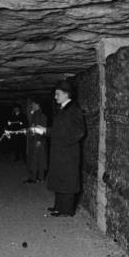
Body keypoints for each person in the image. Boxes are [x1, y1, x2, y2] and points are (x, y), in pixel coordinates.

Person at [42, 80, 85, 217]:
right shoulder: (62, 109)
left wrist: (64, 142)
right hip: (60, 151)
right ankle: (58, 207)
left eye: (57, 94)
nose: (55, 97)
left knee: (67, 180)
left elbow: (79, 131)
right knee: (59, 178)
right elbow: (59, 130)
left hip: (68, 152)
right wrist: (46, 131)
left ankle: (66, 210)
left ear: (67, 94)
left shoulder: (74, 110)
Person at [24, 100, 48, 184]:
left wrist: (39, 140)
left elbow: (43, 129)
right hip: (35, 141)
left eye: (33, 104)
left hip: (37, 141)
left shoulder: (41, 116)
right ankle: (39, 178)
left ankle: (34, 178)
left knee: (36, 159)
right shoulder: (35, 115)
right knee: (38, 159)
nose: (32, 106)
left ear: (37, 105)